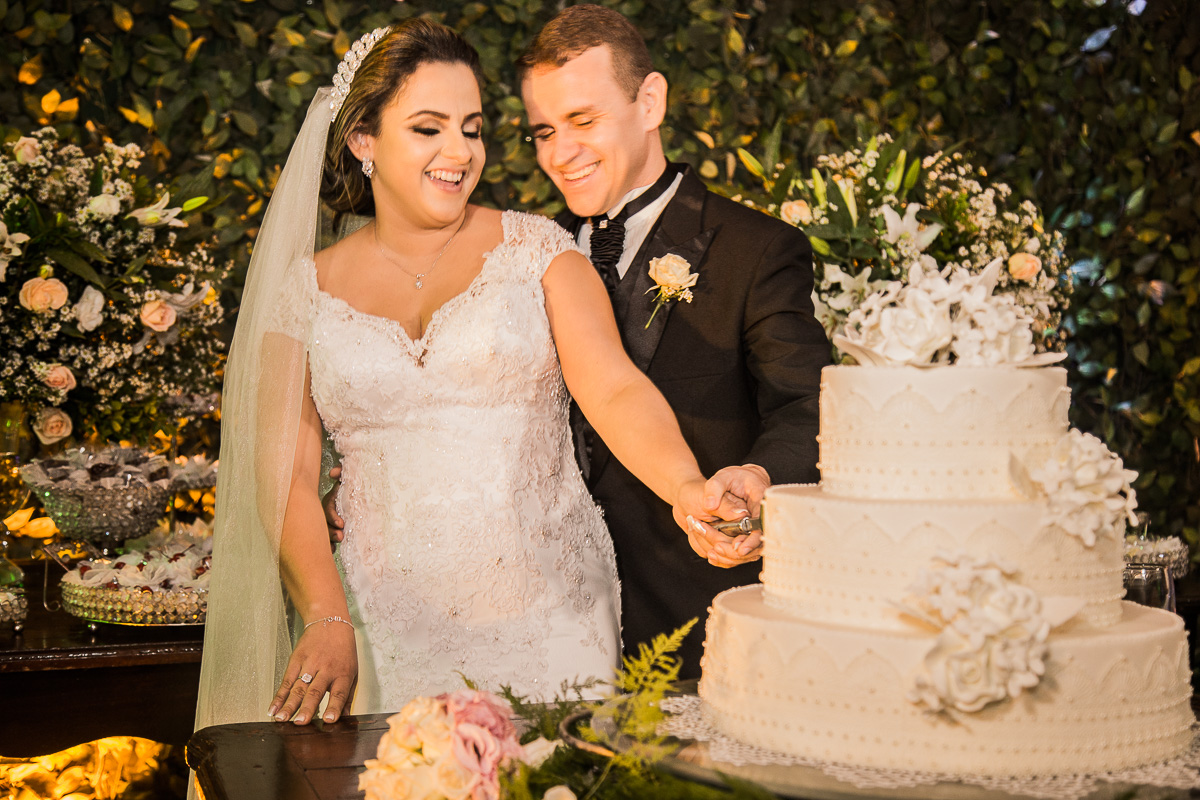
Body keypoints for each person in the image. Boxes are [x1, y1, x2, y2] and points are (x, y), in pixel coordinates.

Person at [194, 19, 762, 737]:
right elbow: (284, 471)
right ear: (363, 140)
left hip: (551, 614)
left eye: (473, 128)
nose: (459, 153)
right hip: (380, 620)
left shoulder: (541, 252)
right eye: (428, 129)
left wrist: (687, 488)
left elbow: (614, 389)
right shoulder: (304, 293)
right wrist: (326, 612)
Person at [516, 5, 830, 677]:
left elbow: (809, 408)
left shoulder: (757, 249)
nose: (559, 153)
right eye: (544, 130)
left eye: (583, 120)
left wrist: (757, 477)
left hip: (696, 620)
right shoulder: (523, 252)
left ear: (649, 101)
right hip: (536, 619)